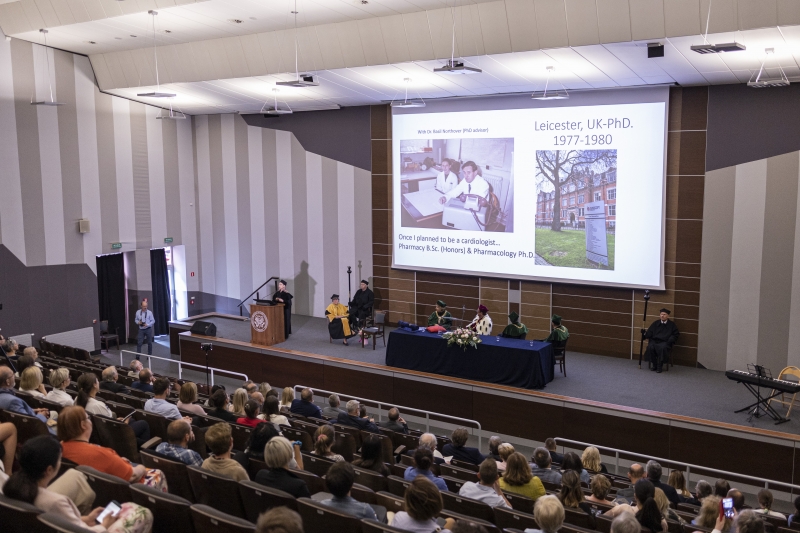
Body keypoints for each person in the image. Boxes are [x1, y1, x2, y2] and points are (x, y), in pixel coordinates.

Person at [3, 435, 154, 533]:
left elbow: (62, 520)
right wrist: (105, 524)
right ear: (49, 469)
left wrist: (86, 519)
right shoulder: (56, 502)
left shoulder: (10, 486)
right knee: (141, 512)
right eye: (59, 459)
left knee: (75, 476)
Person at [58, 406, 166, 491]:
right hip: (123, 489)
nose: (90, 421)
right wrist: (141, 468)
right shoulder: (101, 453)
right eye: (88, 418)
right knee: (158, 473)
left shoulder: (59, 449)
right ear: (83, 425)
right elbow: (132, 476)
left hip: (95, 489)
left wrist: (117, 462)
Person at [642, 308, 679, 373]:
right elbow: (649, 333)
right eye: (661, 314)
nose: (662, 316)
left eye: (664, 314)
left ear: (668, 316)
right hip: (654, 341)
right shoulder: (655, 323)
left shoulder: (672, 325)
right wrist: (644, 333)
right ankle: (654, 364)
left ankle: (659, 366)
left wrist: (670, 340)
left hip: (665, 342)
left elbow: (675, 334)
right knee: (650, 347)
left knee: (662, 348)